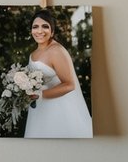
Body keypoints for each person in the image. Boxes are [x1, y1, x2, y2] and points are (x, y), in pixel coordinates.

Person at [23, 10, 92, 138]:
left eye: (45, 26)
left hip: (58, 109)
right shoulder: (34, 53)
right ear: (31, 30)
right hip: (39, 108)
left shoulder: (56, 51)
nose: (39, 31)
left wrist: (39, 94)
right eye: (35, 27)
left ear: (52, 31)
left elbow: (70, 85)